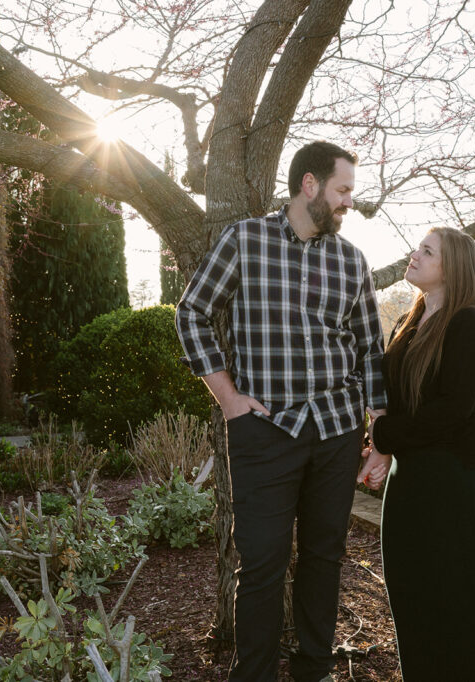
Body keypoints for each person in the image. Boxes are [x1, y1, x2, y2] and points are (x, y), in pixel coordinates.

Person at [175, 140, 389, 682]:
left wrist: (378, 432)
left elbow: (371, 350)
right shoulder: (244, 241)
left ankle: (313, 670)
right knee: (264, 565)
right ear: (310, 185)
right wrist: (228, 399)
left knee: (324, 559)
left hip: (337, 432)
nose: (348, 203)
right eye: (342, 191)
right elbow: (193, 313)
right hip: (265, 431)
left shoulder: (351, 261)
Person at [360, 226, 475, 680]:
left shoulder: (468, 323)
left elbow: (453, 412)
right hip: (411, 477)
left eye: (427, 250)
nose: (414, 254)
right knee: (411, 593)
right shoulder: (408, 321)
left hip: (454, 479)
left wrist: (384, 438)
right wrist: (382, 448)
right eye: (417, 247)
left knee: (453, 600)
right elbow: (396, 403)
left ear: (451, 267)